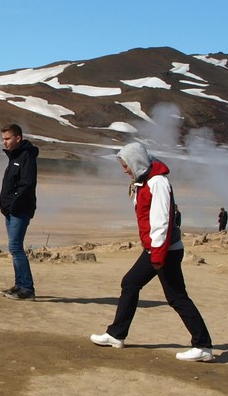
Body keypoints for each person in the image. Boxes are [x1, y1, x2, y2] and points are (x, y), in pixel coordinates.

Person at [90, 141, 214, 360]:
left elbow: (161, 221)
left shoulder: (157, 182)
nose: (124, 169)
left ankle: (202, 345)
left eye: (126, 164)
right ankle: (116, 334)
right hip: (155, 249)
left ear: (136, 162)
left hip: (164, 250)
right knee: (130, 283)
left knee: (176, 296)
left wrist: (157, 254)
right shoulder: (144, 181)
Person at [0, 124, 38, 300]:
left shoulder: (26, 156)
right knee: (14, 248)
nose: (4, 142)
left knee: (16, 247)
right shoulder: (15, 156)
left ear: (18, 138)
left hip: (20, 210)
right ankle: (19, 285)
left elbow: (26, 185)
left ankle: (27, 288)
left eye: (7, 139)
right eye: (3, 139)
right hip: (11, 211)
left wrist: (13, 206)